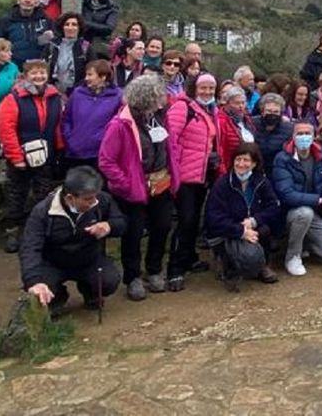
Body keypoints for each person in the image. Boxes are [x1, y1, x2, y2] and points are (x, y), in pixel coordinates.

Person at [98, 75, 174, 299]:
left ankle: (154, 270)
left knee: (162, 225)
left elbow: (168, 146)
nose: (163, 100)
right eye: (158, 96)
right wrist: (127, 184)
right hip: (133, 188)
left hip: (160, 183)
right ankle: (132, 277)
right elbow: (106, 161)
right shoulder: (120, 125)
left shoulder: (160, 117)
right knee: (133, 232)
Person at [20, 166, 125, 316]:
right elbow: (30, 247)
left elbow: (121, 222)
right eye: (88, 199)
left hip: (89, 260)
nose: (94, 202)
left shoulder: (101, 201)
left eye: (95, 197)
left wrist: (110, 226)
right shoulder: (43, 212)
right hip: (53, 263)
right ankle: (56, 298)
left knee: (109, 280)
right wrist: (33, 281)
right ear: (70, 198)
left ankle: (91, 293)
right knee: (37, 287)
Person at [0, 59, 65, 254]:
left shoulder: (54, 96)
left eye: (42, 73)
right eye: (34, 73)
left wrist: (60, 148)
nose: (39, 77)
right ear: (25, 76)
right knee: (16, 194)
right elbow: (6, 129)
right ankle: (13, 231)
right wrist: (15, 156)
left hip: (46, 154)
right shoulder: (14, 98)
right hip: (20, 155)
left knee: (43, 194)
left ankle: (39, 231)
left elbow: (58, 124)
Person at [204, 143, 282, 291]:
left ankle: (262, 265)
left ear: (254, 163)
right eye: (238, 159)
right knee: (237, 250)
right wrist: (240, 230)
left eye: (246, 160)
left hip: (251, 227)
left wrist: (254, 221)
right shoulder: (222, 184)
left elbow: (274, 207)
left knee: (264, 230)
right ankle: (225, 262)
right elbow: (213, 217)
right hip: (227, 231)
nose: (241, 164)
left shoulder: (261, 182)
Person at [166, 74, 219, 290]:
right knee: (185, 221)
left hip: (201, 174)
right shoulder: (182, 108)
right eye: (203, 88)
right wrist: (175, 170)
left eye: (211, 88)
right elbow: (171, 140)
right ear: (194, 88)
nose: (207, 92)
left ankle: (189, 258)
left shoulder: (210, 110)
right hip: (185, 175)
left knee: (194, 219)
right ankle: (175, 269)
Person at [272, 122, 322, 276]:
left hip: (315, 215)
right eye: (300, 133)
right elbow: (286, 194)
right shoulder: (282, 159)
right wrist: (318, 200)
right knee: (304, 213)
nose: (304, 137)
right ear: (293, 136)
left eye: (307, 134)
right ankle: (293, 256)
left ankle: (305, 243)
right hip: (289, 213)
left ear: (314, 137)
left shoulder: (321, 157)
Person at [60, 60, 122, 172]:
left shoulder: (117, 96)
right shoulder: (78, 93)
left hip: (99, 153)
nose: (86, 78)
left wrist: (103, 141)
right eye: (86, 74)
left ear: (103, 76)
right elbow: (66, 118)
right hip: (74, 151)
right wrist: (70, 138)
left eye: (90, 74)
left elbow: (118, 125)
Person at [0, 0, 54, 66]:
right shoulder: (6, 21)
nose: (28, 0)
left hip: (39, 70)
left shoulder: (46, 20)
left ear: (37, 2)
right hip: (12, 68)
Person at [217, 84, 258, 184]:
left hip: (247, 168)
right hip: (229, 169)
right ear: (227, 104)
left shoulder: (247, 120)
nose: (240, 106)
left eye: (243, 103)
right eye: (236, 103)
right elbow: (220, 149)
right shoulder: (221, 121)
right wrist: (222, 173)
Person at [43, 12, 91, 95]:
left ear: (79, 28)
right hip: (53, 93)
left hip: (79, 93)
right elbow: (42, 67)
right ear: (62, 27)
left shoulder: (85, 47)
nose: (70, 27)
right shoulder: (52, 46)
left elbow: (92, 72)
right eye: (67, 24)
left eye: (74, 25)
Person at [255, 94, 294, 177]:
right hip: (256, 169)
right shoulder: (252, 124)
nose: (272, 114)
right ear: (262, 111)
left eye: (276, 112)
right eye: (268, 111)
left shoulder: (290, 129)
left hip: (278, 170)